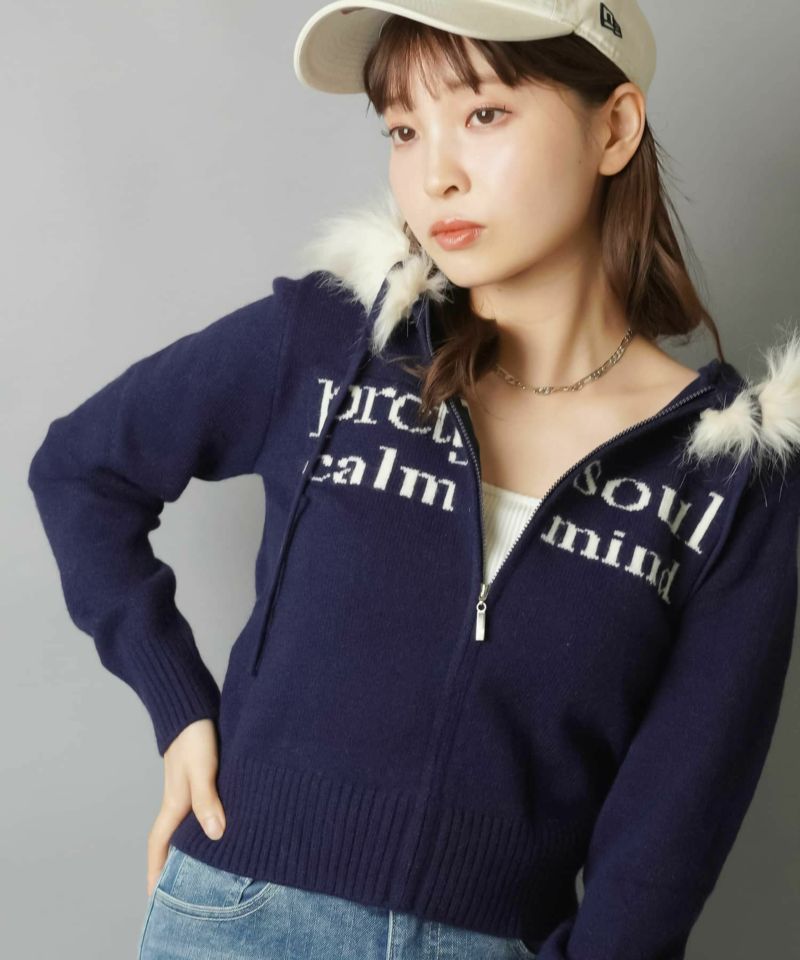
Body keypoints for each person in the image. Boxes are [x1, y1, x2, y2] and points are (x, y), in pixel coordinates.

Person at [27, 2, 800, 958]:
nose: (434, 175)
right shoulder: (332, 342)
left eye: (484, 113)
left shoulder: (728, 473)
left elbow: (675, 821)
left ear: (614, 128)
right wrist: (179, 706)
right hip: (237, 918)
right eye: (402, 129)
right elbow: (81, 469)